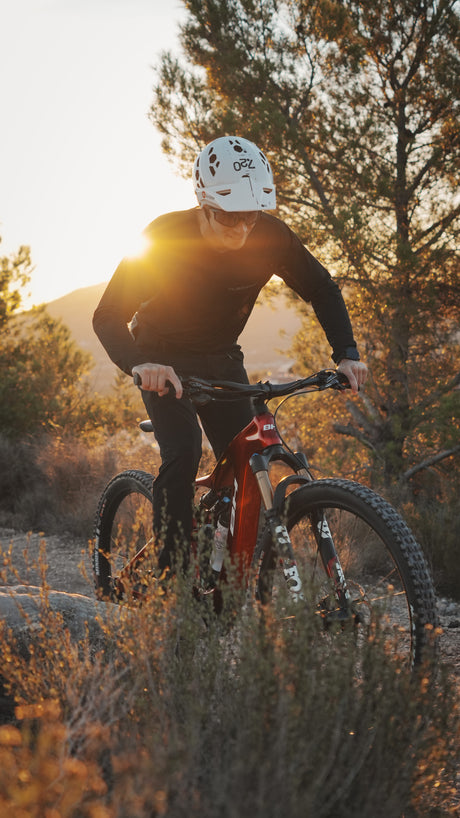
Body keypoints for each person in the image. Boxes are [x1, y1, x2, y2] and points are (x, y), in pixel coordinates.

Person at [93, 135, 368, 574]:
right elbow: (107, 315)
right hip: (162, 357)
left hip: (221, 356)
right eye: (230, 219)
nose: (242, 231)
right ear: (205, 205)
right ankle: (173, 579)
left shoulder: (269, 237)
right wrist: (140, 363)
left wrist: (347, 353)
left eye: (251, 217)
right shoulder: (165, 238)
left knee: (245, 459)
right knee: (183, 452)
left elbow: (321, 287)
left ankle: (223, 563)